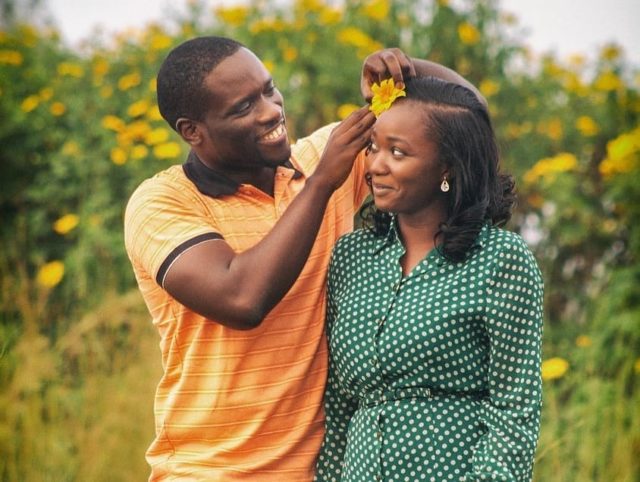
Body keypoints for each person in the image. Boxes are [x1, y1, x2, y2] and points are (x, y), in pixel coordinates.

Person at [124, 35, 482, 481]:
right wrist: (321, 185)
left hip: (324, 471)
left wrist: (406, 70)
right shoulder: (163, 202)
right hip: (209, 471)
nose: (271, 110)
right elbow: (242, 298)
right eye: (242, 108)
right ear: (192, 131)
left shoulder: (321, 159)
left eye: (269, 90)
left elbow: (468, 124)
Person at [315, 76, 543, 482]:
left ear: (447, 168)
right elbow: (338, 406)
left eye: (398, 153)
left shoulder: (499, 260)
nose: (374, 165)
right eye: (373, 147)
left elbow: (515, 409)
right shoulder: (351, 257)